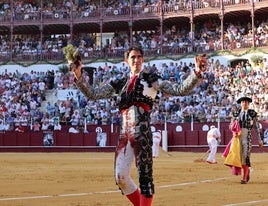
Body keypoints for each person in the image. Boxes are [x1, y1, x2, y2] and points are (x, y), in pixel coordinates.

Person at [69, 46, 207, 206]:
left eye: (139, 57)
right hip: (124, 134)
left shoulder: (151, 79)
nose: (137, 60)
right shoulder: (119, 83)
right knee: (120, 177)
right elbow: (93, 94)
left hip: (142, 132)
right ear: (126, 60)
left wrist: (196, 72)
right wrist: (78, 74)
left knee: (145, 177)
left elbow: (179, 89)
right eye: (133, 57)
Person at [224, 94, 263, 184]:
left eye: (246, 102)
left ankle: (244, 177)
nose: (244, 103)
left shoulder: (252, 113)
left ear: (248, 104)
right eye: (242, 102)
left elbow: (257, 128)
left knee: (245, 156)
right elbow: (230, 126)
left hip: (247, 137)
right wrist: (233, 126)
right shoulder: (236, 113)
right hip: (237, 138)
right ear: (240, 103)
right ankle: (247, 171)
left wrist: (260, 140)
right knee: (238, 157)